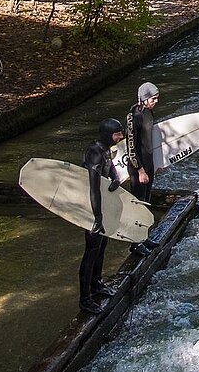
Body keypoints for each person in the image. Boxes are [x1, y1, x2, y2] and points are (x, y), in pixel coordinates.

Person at [81, 118, 124, 315]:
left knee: (102, 247)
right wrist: (97, 217)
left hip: (103, 206)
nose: (121, 137)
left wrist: (115, 177)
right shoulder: (94, 153)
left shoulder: (105, 150)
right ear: (108, 134)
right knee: (91, 252)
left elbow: (111, 166)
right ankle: (85, 298)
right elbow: (93, 189)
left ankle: (97, 283)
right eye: (117, 134)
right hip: (92, 209)